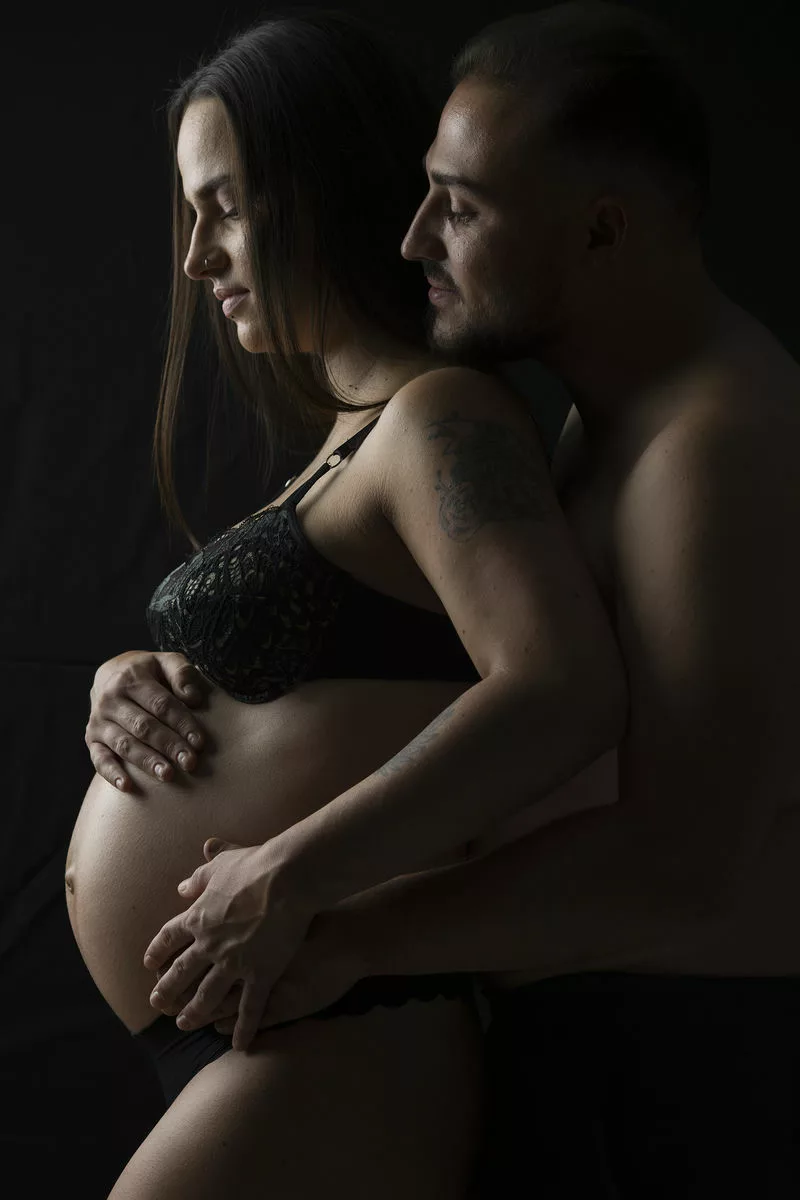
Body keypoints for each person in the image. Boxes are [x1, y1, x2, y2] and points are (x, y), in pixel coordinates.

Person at [140, 3, 800, 1196]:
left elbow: (680, 862)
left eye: (461, 205)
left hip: (682, 1065)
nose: (409, 238)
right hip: (596, 1035)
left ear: (601, 231)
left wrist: (331, 922)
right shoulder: (599, 428)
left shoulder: (719, 444)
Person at [66, 9, 626, 1198]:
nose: (195, 258)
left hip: (336, 1029)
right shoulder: (354, 437)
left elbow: (561, 686)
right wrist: (139, 680)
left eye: (221, 206)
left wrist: (291, 873)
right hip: (268, 1030)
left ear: (317, 186)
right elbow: (332, 672)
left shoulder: (440, 420)